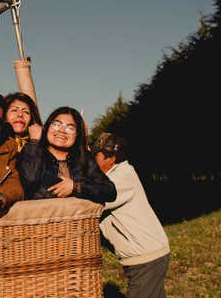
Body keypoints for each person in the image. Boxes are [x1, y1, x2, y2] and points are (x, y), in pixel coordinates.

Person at [93, 133, 170, 298]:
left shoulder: (120, 178)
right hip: (149, 254)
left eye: (96, 154)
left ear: (111, 158)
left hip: (146, 258)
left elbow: (93, 202)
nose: (93, 159)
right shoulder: (116, 175)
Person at [17, 106, 115, 204]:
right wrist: (34, 142)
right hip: (40, 217)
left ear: (77, 135)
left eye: (70, 128)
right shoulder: (32, 152)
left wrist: (76, 187)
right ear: (47, 128)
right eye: (56, 124)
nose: (62, 130)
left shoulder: (84, 159)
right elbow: (29, 180)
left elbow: (110, 191)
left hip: (77, 218)